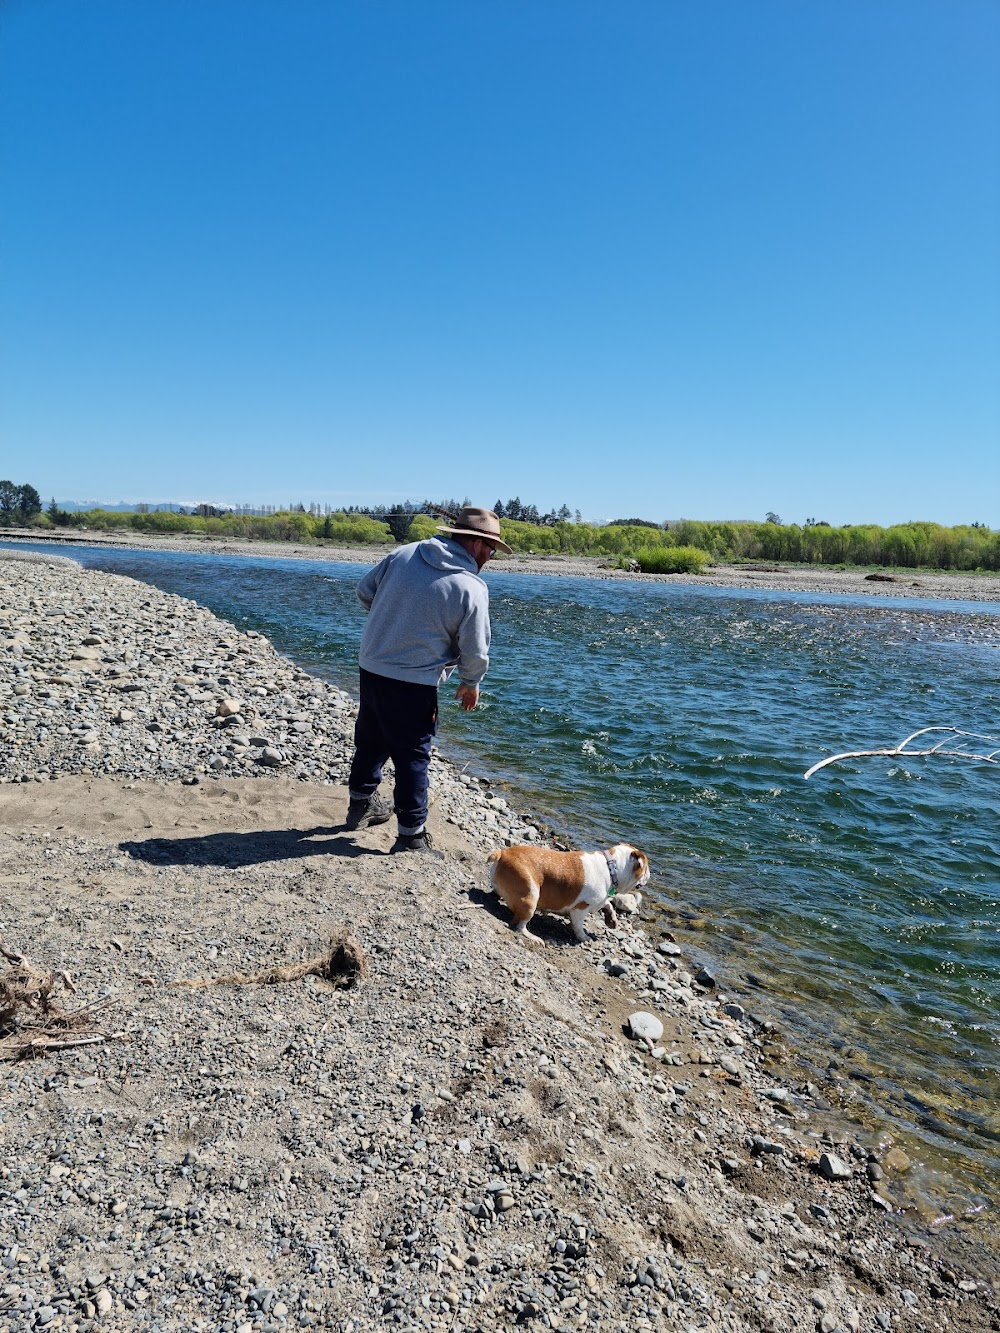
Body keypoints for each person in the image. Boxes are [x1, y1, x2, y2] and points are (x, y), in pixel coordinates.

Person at [345, 506, 512, 852]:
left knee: (372, 735)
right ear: (479, 545)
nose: (490, 559)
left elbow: (364, 592)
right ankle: (412, 836)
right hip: (414, 681)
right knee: (413, 755)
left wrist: (393, 621)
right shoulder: (471, 587)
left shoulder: (403, 553)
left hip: (372, 664)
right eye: (492, 551)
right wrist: (470, 681)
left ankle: (360, 804)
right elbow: (476, 649)